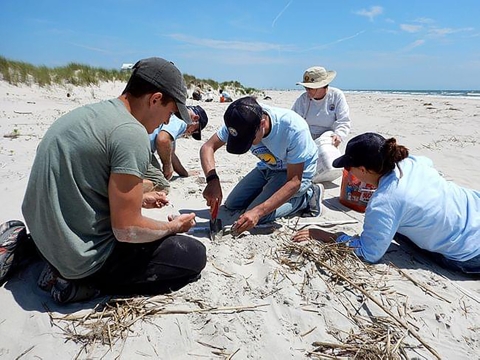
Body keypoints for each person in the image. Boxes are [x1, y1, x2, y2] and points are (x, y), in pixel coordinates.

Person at [0, 57, 207, 302]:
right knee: (193, 255)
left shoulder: (89, 114)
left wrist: (138, 197)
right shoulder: (131, 133)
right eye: (170, 113)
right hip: (78, 258)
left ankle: (29, 247)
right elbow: (127, 230)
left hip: (42, 230)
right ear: (155, 99)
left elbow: (85, 182)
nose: (165, 122)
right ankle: (71, 281)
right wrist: (174, 227)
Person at [293, 132, 480, 274]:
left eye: (349, 167)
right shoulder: (412, 162)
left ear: (364, 170)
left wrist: (329, 236)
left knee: (398, 233)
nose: (348, 172)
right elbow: (428, 163)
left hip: (469, 252)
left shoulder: (384, 202)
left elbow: (369, 253)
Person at [200, 96, 322, 236]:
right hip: (268, 166)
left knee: (259, 216)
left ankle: (307, 197)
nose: (248, 144)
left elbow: (294, 182)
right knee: (232, 204)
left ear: (262, 123)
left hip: (296, 172)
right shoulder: (240, 118)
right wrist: (212, 179)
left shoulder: (293, 129)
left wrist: (258, 212)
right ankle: (265, 195)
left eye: (248, 140)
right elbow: (207, 147)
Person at [144, 105, 208, 193]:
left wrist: (185, 173)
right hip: (140, 148)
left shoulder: (173, 117)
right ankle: (123, 189)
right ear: (195, 119)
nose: (190, 133)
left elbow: (171, 154)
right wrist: (167, 165)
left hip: (139, 144)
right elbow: (163, 140)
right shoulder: (182, 121)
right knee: (161, 185)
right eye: (195, 130)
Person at [292, 66, 351, 147]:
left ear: (323, 86)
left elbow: (343, 120)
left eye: (311, 88)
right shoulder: (303, 99)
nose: (307, 91)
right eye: (306, 88)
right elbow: (293, 120)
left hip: (328, 136)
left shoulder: (336, 95)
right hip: (306, 135)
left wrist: (339, 134)